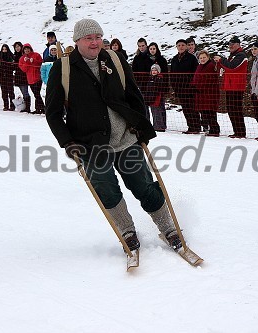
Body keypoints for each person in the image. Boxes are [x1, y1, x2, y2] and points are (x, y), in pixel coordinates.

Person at [45, 19, 184, 252]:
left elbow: (134, 96)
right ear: (77, 41)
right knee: (107, 190)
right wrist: (67, 142)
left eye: (98, 37)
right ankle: (127, 230)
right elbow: (53, 113)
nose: (94, 42)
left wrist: (141, 126)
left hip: (126, 138)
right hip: (89, 145)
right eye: (89, 38)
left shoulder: (116, 60)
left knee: (144, 185)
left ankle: (168, 227)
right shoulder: (64, 68)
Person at [214, 36, 248, 138]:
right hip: (230, 85)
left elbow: (232, 66)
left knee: (236, 108)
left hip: (236, 86)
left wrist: (221, 60)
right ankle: (237, 131)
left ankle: (240, 132)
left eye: (233, 44)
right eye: (230, 44)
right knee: (231, 108)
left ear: (238, 44)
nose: (231, 46)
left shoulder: (241, 55)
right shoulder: (233, 55)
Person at [171, 38, 199, 133]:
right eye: (179, 45)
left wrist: (192, 84)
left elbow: (196, 72)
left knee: (192, 108)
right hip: (179, 88)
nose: (181, 47)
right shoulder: (174, 59)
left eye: (183, 45)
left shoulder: (191, 58)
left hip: (189, 87)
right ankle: (190, 126)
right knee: (185, 108)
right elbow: (172, 74)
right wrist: (174, 87)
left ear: (186, 46)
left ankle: (196, 126)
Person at [192, 49, 220, 136]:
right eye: (201, 58)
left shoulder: (210, 66)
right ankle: (211, 128)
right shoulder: (199, 66)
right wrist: (194, 85)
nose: (202, 59)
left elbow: (208, 80)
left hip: (209, 93)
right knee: (204, 112)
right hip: (201, 93)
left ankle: (214, 129)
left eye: (204, 57)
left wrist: (198, 86)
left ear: (208, 57)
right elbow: (196, 78)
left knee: (210, 112)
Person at [19, 43, 44, 114]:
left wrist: (34, 61)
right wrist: (27, 62)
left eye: (28, 49)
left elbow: (41, 63)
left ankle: (42, 108)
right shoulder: (22, 59)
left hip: (38, 78)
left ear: (30, 49)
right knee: (36, 94)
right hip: (30, 80)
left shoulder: (36, 55)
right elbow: (23, 69)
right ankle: (39, 109)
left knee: (37, 94)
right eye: (25, 49)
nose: (27, 50)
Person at [143, 64, 169, 131]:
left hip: (157, 98)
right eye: (152, 70)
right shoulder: (150, 78)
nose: (154, 71)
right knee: (154, 112)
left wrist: (153, 96)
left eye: (155, 70)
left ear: (158, 71)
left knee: (158, 112)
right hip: (150, 97)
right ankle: (156, 125)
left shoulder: (159, 78)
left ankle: (159, 126)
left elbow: (158, 89)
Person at [0, 44, 16, 111]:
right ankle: (5, 105)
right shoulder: (0, 56)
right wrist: (0, 70)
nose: (4, 51)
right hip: (2, 76)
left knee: (11, 91)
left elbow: (15, 64)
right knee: (4, 91)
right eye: (3, 49)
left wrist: (11, 69)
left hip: (9, 75)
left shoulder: (11, 55)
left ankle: (12, 106)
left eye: (5, 49)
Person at [13, 41, 31, 112]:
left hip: (23, 76)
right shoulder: (15, 55)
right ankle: (26, 106)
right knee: (23, 92)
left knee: (25, 92)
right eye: (16, 47)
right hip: (18, 75)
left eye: (18, 46)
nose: (17, 48)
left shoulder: (24, 55)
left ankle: (28, 107)